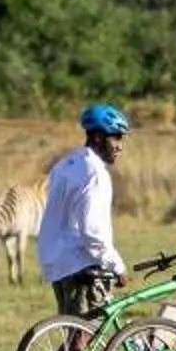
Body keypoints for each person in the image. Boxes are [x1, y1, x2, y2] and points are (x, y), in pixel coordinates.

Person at [36, 103, 131, 323]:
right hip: (81, 264)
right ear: (97, 137)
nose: (120, 146)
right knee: (84, 337)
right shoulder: (95, 173)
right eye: (115, 137)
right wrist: (116, 265)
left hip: (57, 261)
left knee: (76, 338)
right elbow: (93, 231)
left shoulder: (66, 164)